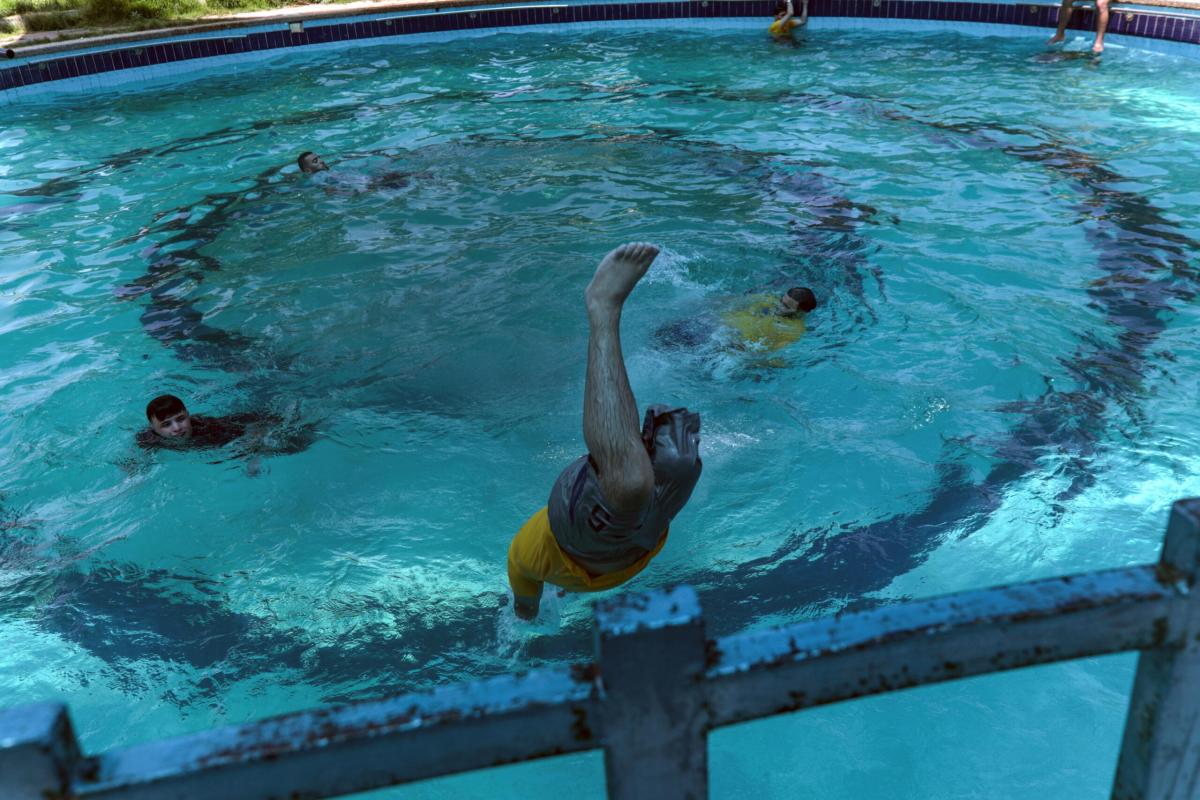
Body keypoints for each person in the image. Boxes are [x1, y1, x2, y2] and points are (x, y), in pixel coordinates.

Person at [506, 243, 703, 620]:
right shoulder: (567, 583)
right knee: (681, 460)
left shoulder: (528, 560)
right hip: (647, 533)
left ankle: (602, 307)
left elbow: (523, 610)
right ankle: (637, 452)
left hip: (570, 533)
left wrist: (527, 620)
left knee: (630, 485)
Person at [137, 394, 314, 455]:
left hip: (242, 424)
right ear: (153, 428)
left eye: (181, 419)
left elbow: (252, 426)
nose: (177, 428)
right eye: (166, 424)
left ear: (188, 415)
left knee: (293, 443)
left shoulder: (209, 429)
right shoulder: (148, 439)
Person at [722, 286, 817, 353]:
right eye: (781, 300)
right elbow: (730, 302)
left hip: (737, 351)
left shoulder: (795, 330)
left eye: (786, 306)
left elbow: (770, 358)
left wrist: (744, 352)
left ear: (800, 312)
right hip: (725, 333)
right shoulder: (769, 300)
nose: (779, 305)